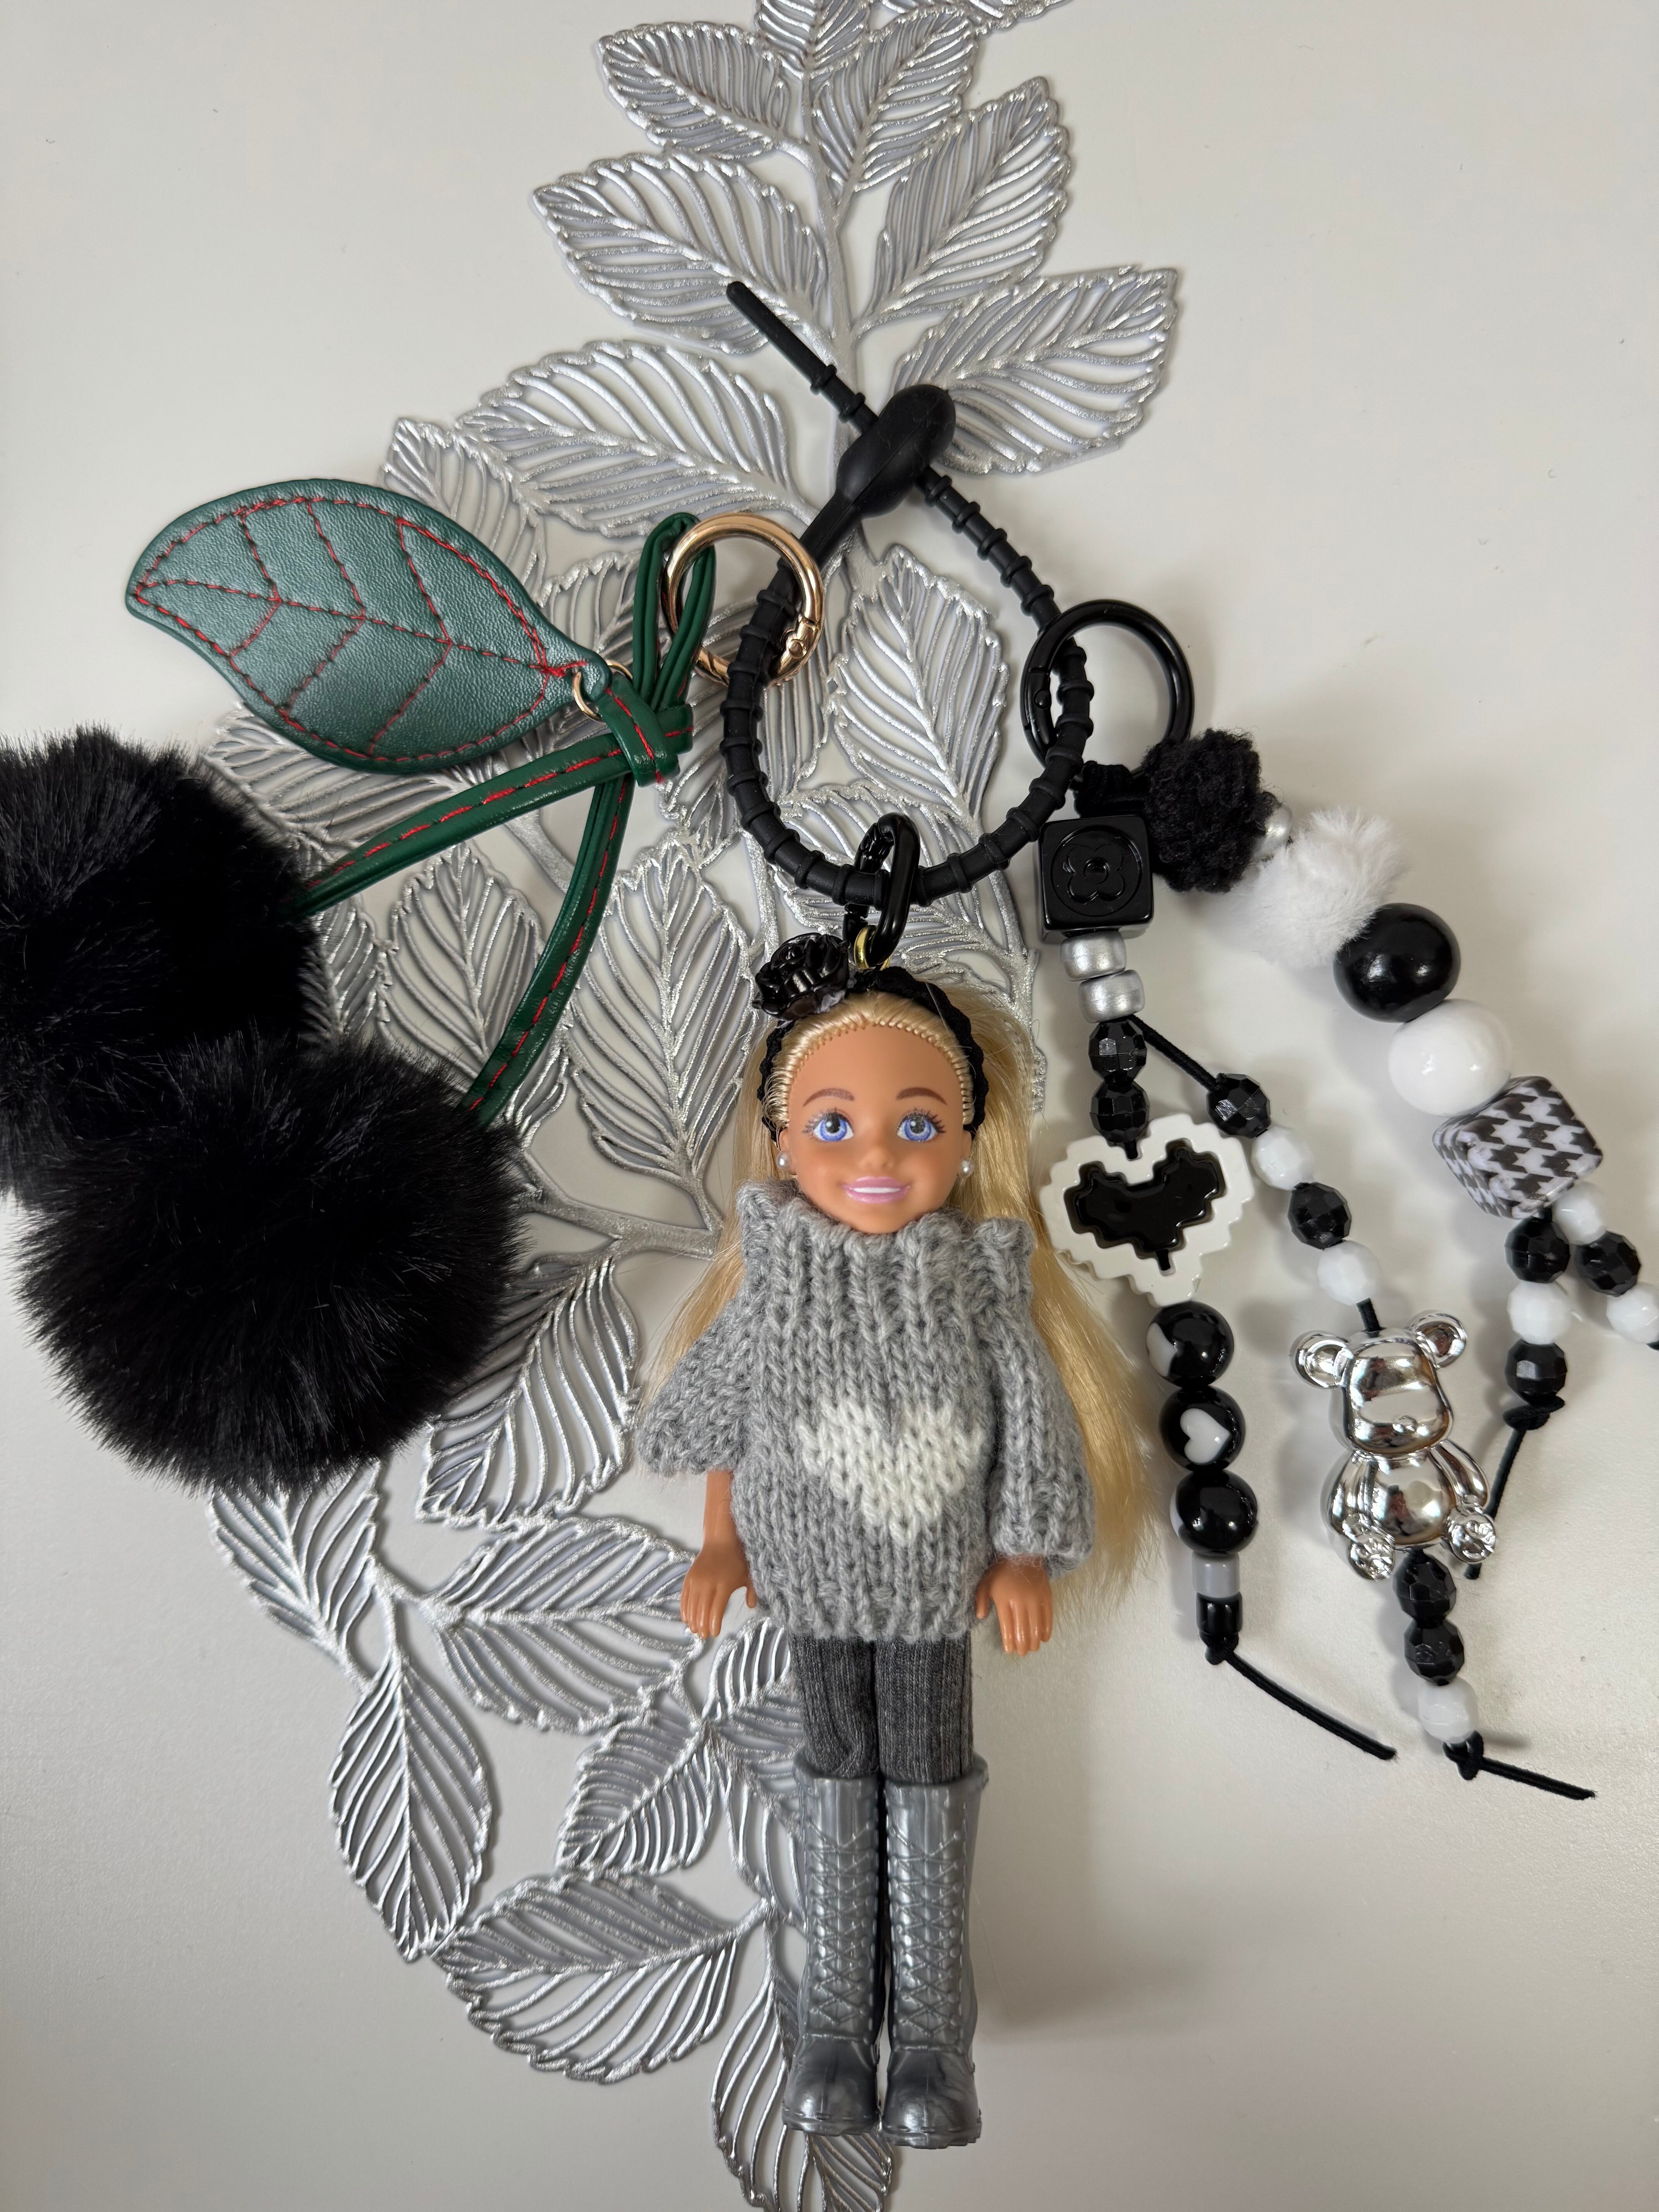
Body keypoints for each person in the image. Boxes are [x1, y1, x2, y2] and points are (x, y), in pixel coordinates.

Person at [638, 943, 1146, 2149]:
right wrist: (719, 1545)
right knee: (832, 1767)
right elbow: (727, 1428)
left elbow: (1030, 1422)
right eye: (834, 1125)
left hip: (932, 1598)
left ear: (967, 1140)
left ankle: (928, 2036)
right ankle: (832, 2021)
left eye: (916, 1125)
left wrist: (1020, 1555)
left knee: (923, 1770)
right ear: (781, 1140)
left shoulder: (980, 1291)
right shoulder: (768, 1298)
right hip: (811, 1591)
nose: (876, 1155)